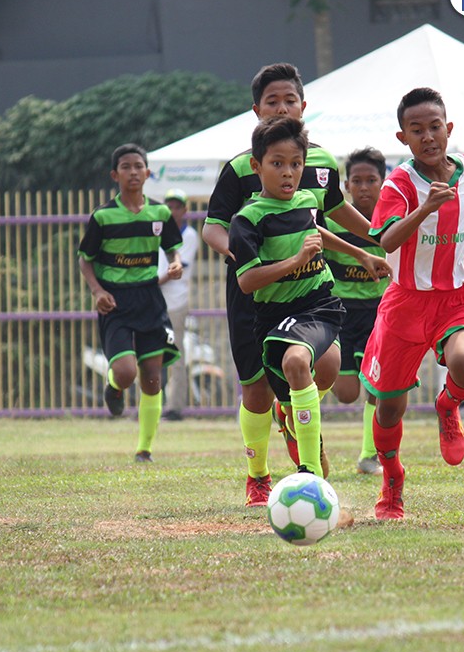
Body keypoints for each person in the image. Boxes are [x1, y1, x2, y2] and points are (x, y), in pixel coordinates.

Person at [201, 62, 390, 507]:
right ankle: (259, 477)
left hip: (308, 291)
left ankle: (295, 413)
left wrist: (375, 239)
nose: (282, 108)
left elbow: (332, 212)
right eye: (273, 101)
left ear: (304, 107)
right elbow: (213, 227)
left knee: (325, 366)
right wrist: (245, 255)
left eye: (290, 100)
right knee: (255, 391)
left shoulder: (320, 163)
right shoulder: (240, 169)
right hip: (256, 292)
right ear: (256, 110)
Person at [360, 87, 464, 519]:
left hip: (459, 297)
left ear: (448, 128)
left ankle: (448, 405)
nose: (428, 137)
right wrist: (425, 209)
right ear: (403, 138)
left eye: (435, 127)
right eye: (416, 130)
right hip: (406, 303)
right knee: (389, 408)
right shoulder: (399, 184)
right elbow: (386, 240)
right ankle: (392, 479)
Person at [229, 116, 345, 477]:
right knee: (296, 367)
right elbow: (247, 281)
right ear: (256, 166)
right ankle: (303, 461)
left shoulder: (308, 200)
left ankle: (308, 470)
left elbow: (317, 233)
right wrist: (296, 260)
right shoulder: (247, 220)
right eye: (277, 163)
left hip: (319, 303)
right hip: (274, 316)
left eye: (296, 164)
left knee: (322, 366)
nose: (288, 173)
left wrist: (362, 254)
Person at [78, 144, 183, 463]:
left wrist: (175, 262)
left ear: (148, 173)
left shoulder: (160, 213)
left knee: (152, 377)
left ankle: (144, 450)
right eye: (126, 167)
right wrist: (97, 291)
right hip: (115, 301)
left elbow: (172, 248)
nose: (133, 172)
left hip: (149, 298)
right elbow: (85, 259)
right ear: (115, 175)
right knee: (125, 372)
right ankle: (114, 386)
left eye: (139, 166)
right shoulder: (103, 216)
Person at [326, 147, 388, 475]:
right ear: (346, 185)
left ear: (383, 182)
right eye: (357, 181)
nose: (364, 187)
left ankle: (369, 455)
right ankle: (291, 405)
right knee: (347, 394)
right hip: (340, 312)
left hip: (378, 313)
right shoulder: (332, 223)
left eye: (371, 180)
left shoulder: (391, 225)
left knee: (378, 386)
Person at [157, 188, 199, 421]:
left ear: (185, 210)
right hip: (155, 301)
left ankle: (174, 407)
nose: (172, 211)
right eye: (169, 206)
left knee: (176, 354)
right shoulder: (157, 231)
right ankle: (152, 404)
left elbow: (174, 270)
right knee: (150, 354)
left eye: (176, 207)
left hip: (175, 302)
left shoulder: (189, 235)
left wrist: (147, 285)